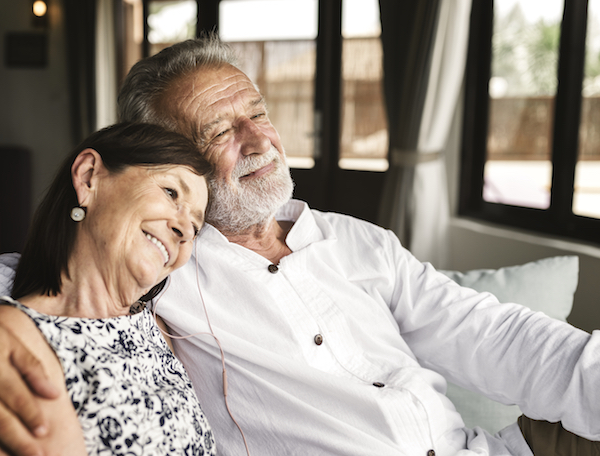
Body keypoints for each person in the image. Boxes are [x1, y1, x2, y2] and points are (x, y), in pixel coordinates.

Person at [1, 34, 600, 456]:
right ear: (168, 159)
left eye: (259, 114)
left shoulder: (360, 242)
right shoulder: (165, 258)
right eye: (221, 130)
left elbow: (497, 337)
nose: (259, 139)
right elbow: (54, 278)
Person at [0, 122, 217, 455]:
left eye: (196, 227)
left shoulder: (157, 327)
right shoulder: (19, 341)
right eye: (171, 192)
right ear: (89, 176)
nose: (184, 229)